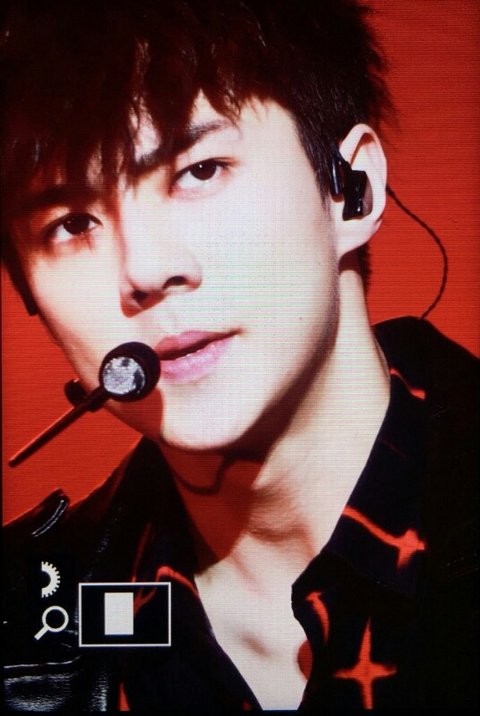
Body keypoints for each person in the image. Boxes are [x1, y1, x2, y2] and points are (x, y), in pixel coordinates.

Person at [2, 0, 478, 710]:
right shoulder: (30, 623)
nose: (145, 269)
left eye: (200, 171)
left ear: (352, 190)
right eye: (72, 223)